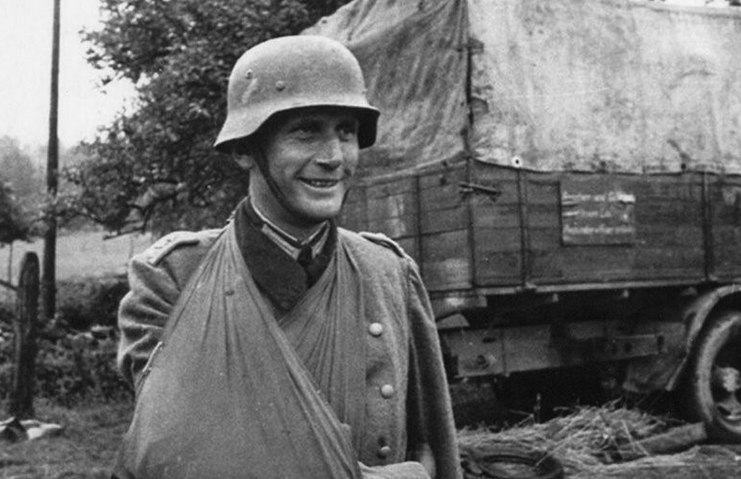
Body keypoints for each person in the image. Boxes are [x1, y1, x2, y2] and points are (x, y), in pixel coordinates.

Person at [113, 35, 461, 479]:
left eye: (346, 132)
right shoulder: (174, 278)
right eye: (306, 131)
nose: (333, 157)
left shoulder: (388, 272)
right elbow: (182, 454)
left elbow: (433, 443)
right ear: (244, 149)